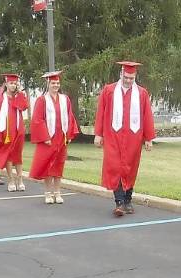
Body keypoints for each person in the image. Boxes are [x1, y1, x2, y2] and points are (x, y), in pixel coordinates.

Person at [93, 61, 155, 216]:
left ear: (135, 77)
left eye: (131, 78)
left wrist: (148, 138)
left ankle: (128, 200)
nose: (128, 80)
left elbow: (147, 116)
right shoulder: (109, 90)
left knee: (130, 168)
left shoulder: (141, 93)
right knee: (115, 167)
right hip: (113, 136)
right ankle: (119, 203)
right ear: (121, 74)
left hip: (134, 137)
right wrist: (98, 134)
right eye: (126, 77)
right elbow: (101, 112)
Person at [29, 71, 80, 204]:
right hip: (49, 138)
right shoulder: (42, 100)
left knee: (58, 164)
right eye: (53, 83)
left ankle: (57, 192)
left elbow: (70, 117)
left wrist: (69, 134)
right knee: (48, 165)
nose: (56, 85)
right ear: (48, 84)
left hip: (61, 137)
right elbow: (38, 120)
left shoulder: (65, 99)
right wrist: (45, 136)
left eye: (57, 83)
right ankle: (48, 193)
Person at [0, 73, 29, 192]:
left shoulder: (19, 96)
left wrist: (20, 93)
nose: (13, 85)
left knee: (18, 156)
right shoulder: (0, 99)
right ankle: (11, 180)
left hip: (18, 129)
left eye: (15, 83)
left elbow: (24, 107)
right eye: (11, 83)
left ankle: (20, 179)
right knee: (8, 156)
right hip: (6, 131)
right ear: (6, 84)